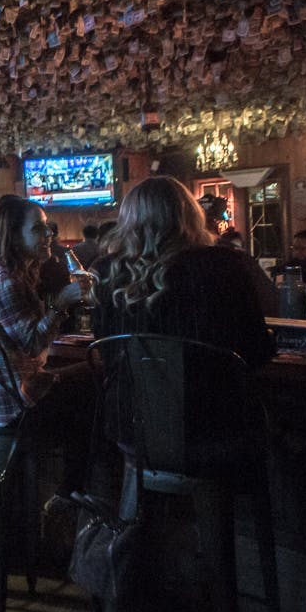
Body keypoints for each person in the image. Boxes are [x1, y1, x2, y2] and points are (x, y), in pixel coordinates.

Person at [92, 176, 275, 465]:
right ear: (190, 214)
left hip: (129, 424)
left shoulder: (105, 271)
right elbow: (254, 351)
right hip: (213, 426)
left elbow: (105, 349)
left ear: (128, 220)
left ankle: (137, 507)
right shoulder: (224, 264)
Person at [0, 195, 93, 496]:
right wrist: (61, 303)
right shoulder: (5, 279)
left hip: (2, 394)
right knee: (93, 395)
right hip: (10, 405)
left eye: (48, 228)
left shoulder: (4, 273)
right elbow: (33, 343)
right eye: (38, 229)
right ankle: (67, 498)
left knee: (89, 372)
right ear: (13, 235)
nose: (49, 235)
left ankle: (56, 497)